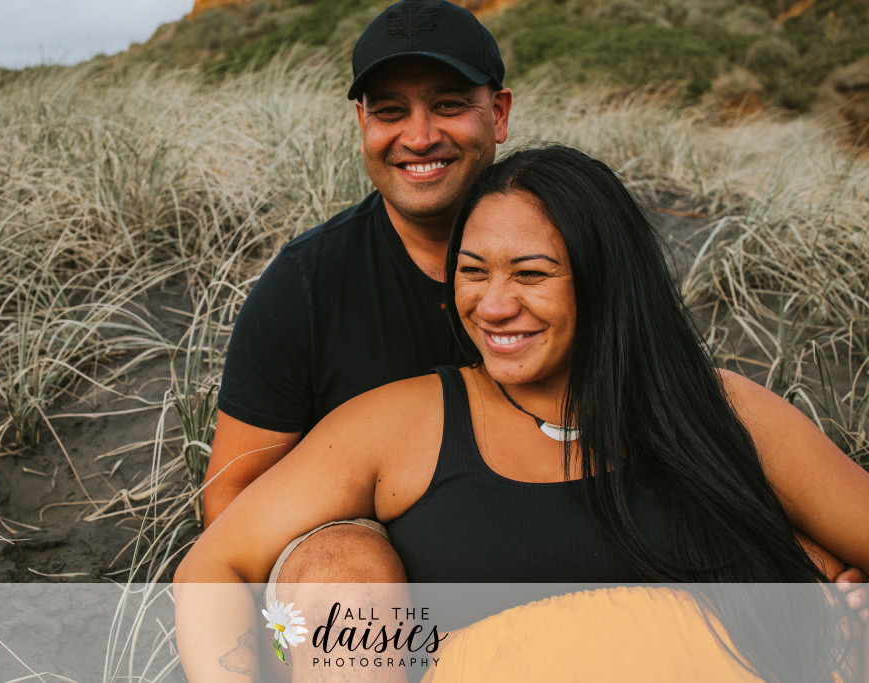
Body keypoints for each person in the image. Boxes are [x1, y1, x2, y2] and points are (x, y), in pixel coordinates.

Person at [176, 144, 869, 681]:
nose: (495, 305)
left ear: (603, 278)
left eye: (531, 273)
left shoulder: (719, 409)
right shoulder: (402, 424)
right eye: (473, 271)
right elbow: (215, 566)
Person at [202, 0, 511, 584]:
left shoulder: (574, 245)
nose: (419, 137)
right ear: (361, 124)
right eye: (390, 111)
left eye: (448, 105)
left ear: (497, 113)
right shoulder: (305, 284)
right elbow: (231, 498)